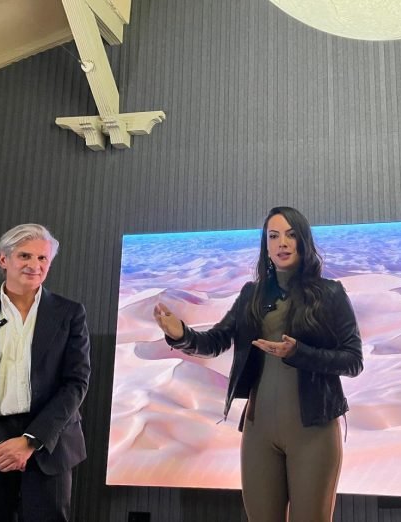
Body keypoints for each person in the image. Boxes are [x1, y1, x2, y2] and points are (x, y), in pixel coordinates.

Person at [154, 206, 363, 521]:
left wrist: (299, 353)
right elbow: (216, 341)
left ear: (303, 241)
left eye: (290, 235)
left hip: (314, 432)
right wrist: (180, 335)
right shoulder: (251, 294)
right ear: (265, 244)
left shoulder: (330, 293)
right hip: (258, 434)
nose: (282, 243)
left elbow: (353, 360)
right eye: (274, 236)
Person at [0, 224, 91, 522]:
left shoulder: (70, 313)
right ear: (4, 259)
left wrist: (31, 440)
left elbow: (75, 383)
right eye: (25, 255)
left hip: (48, 442)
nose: (34, 265)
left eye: (42, 258)